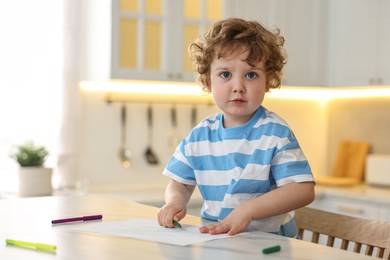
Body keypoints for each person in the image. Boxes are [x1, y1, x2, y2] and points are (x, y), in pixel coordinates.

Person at [157, 18, 315, 237]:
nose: (238, 87)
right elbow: (180, 184)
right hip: (218, 241)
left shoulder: (275, 133)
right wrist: (174, 202)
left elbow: (302, 190)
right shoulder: (199, 136)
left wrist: (248, 210)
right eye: (225, 75)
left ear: (267, 81)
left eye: (251, 75)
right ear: (208, 82)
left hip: (269, 243)